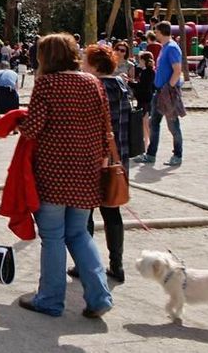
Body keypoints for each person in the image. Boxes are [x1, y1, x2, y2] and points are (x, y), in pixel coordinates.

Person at [16, 33, 113, 319]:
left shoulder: (46, 85)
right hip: (86, 173)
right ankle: (99, 296)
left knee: (53, 237)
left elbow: (32, 129)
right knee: (80, 234)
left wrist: (17, 120)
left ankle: (50, 299)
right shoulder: (93, 83)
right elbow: (105, 128)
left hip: (53, 175)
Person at [76, 44, 130, 283]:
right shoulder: (122, 85)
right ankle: (116, 265)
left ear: (96, 66)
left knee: (84, 214)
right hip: (119, 160)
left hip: (95, 158)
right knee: (112, 212)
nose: (82, 65)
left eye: (85, 61)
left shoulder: (93, 88)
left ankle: (85, 265)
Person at [134, 21, 184, 166]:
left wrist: (168, 88)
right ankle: (151, 154)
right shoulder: (165, 47)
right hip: (159, 91)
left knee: (173, 125)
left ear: (161, 32)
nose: (154, 34)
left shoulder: (172, 48)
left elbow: (177, 70)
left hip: (167, 92)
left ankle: (178, 155)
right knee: (153, 123)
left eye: (156, 32)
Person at [131, 51, 155, 150]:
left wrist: (130, 83)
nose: (138, 61)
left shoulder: (147, 72)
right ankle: (147, 145)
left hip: (145, 100)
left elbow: (142, 87)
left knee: (145, 123)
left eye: (140, 59)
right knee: (144, 123)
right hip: (145, 99)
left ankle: (150, 145)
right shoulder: (148, 71)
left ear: (144, 60)